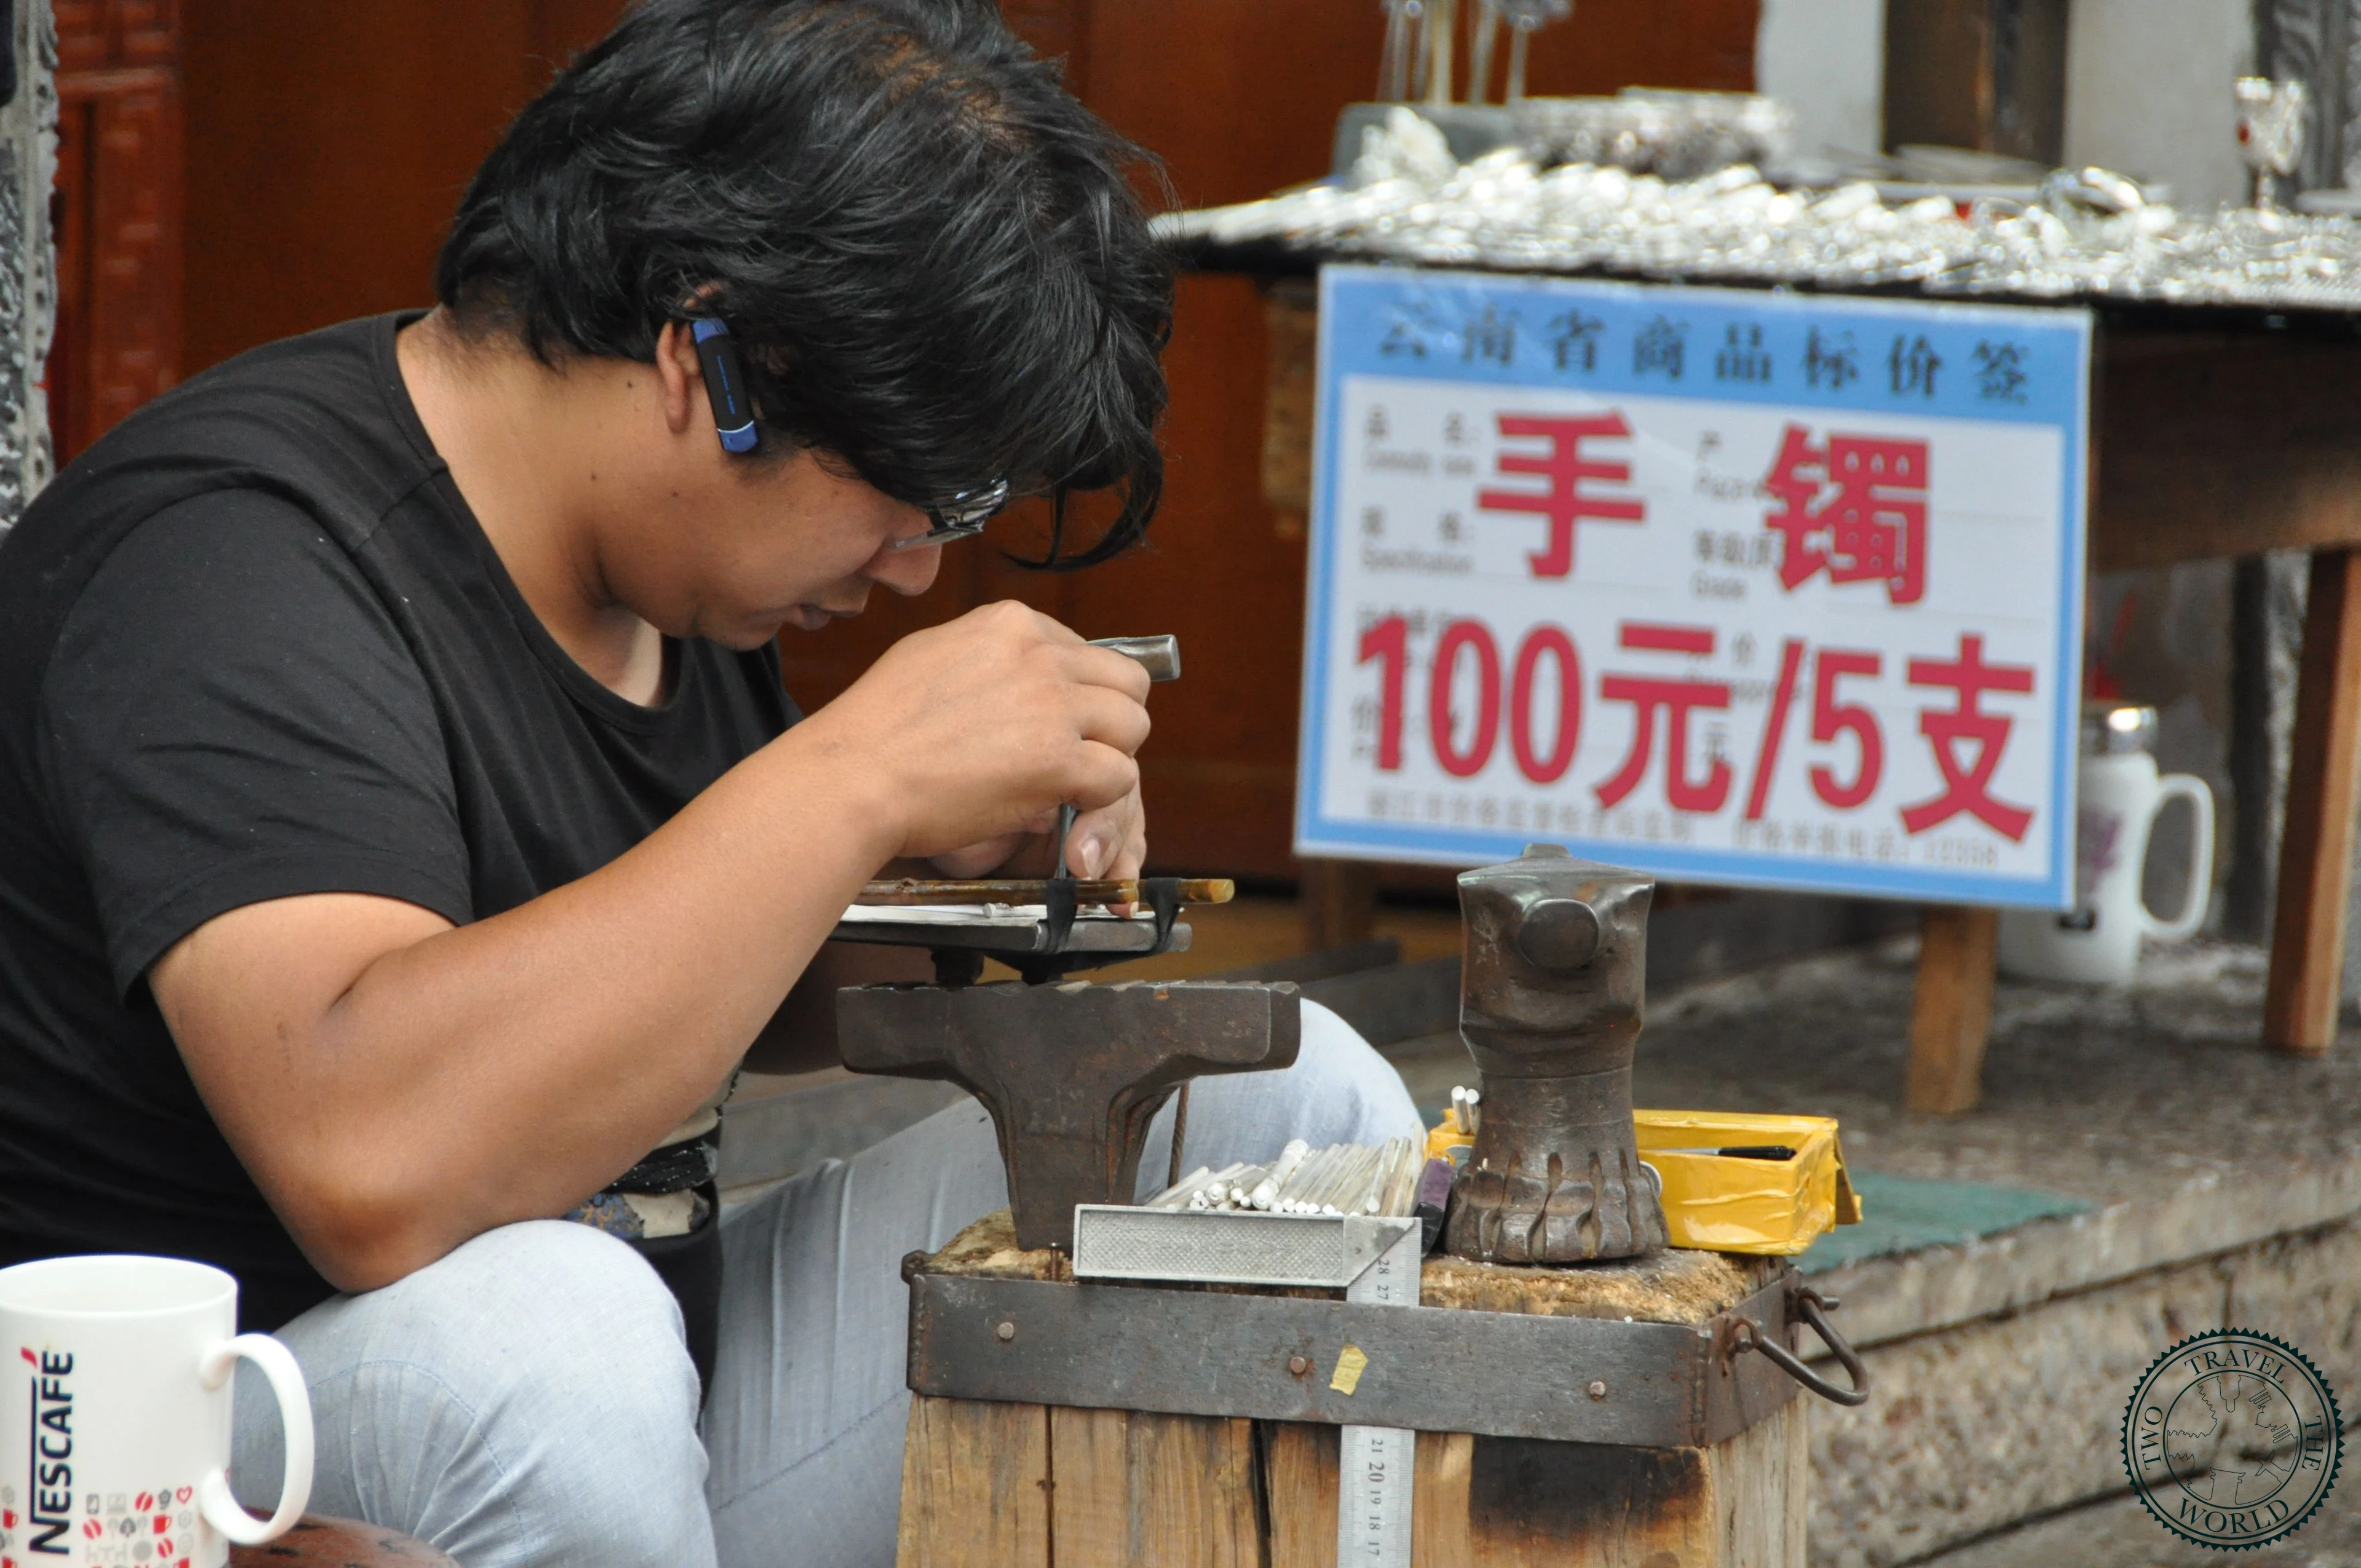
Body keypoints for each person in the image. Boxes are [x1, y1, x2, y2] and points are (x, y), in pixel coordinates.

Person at [0, 1, 1422, 1564]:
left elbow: (686, 982)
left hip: (631, 1424)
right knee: (555, 1337)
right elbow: (373, 1160)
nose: (915, 568)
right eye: (911, 495)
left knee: (1286, 1107)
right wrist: (859, 774)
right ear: (706, 359)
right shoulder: (235, 561)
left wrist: (957, 890)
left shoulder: (661, 576)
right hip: (182, 1463)